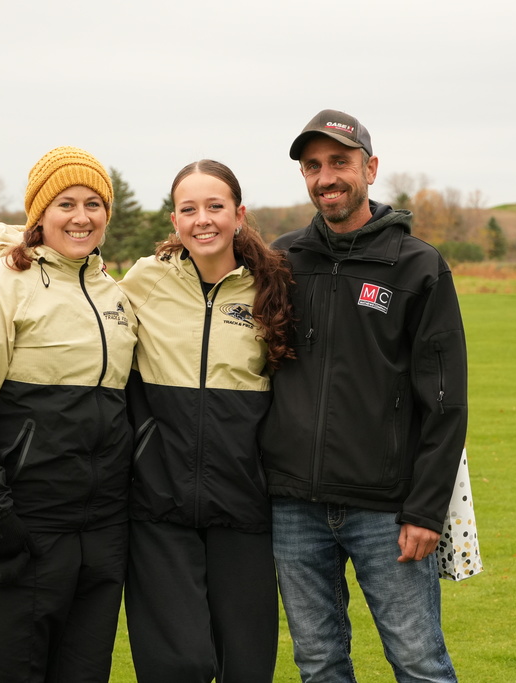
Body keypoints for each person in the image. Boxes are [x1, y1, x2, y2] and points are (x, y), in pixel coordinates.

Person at [261, 109, 468, 682]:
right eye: (313, 166)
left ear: (370, 168)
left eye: (340, 163)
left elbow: (446, 400)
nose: (326, 177)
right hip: (294, 507)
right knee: (320, 664)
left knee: (419, 662)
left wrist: (425, 509)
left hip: (386, 511)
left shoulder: (417, 265)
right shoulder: (282, 260)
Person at [0, 146, 138, 683]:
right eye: (65, 202)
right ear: (39, 212)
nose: (81, 216)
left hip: (97, 536)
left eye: (94, 203)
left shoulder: (112, 293)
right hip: (18, 531)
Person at [119, 159, 294, 683]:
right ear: (174, 220)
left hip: (243, 506)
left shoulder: (271, 286)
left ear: (239, 214)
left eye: (215, 206)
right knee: (180, 664)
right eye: (188, 209)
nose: (203, 220)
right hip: (158, 504)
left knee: (246, 667)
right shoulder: (143, 281)